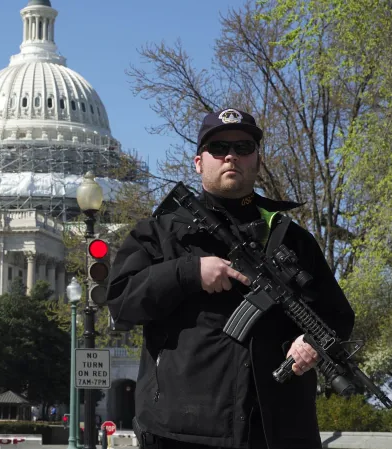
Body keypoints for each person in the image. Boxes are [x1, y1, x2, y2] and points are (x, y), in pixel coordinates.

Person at [106, 109, 356, 449]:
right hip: (182, 431)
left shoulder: (292, 239)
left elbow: (336, 314)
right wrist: (188, 272)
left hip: (278, 430)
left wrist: (310, 342)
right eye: (219, 147)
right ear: (198, 162)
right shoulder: (159, 233)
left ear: (256, 159)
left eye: (244, 147)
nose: (231, 156)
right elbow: (122, 302)